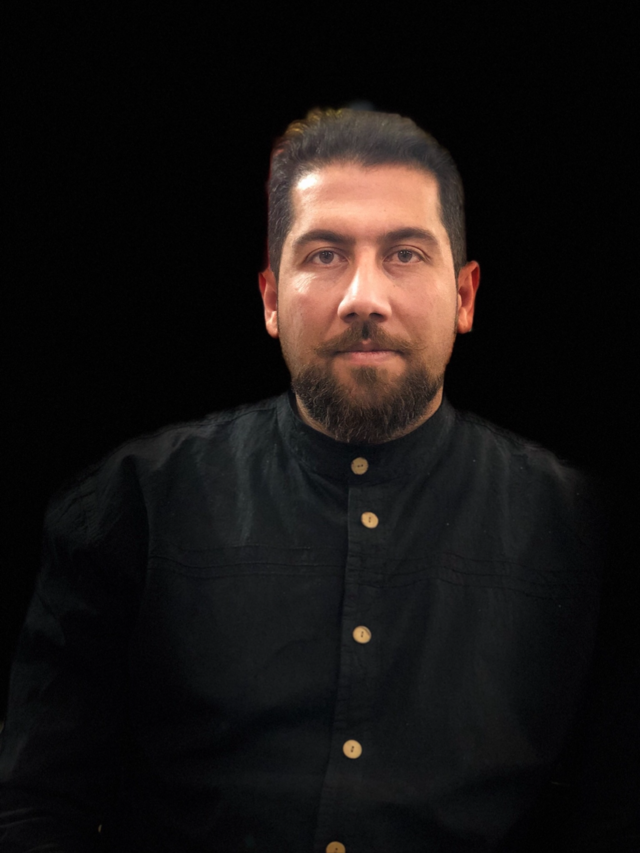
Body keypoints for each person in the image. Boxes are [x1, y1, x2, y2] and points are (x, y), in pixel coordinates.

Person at [0, 108, 631, 852]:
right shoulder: (129, 506)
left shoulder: (582, 528)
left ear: (465, 297)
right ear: (270, 298)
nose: (364, 297)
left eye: (405, 254)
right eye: (325, 254)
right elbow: (36, 809)